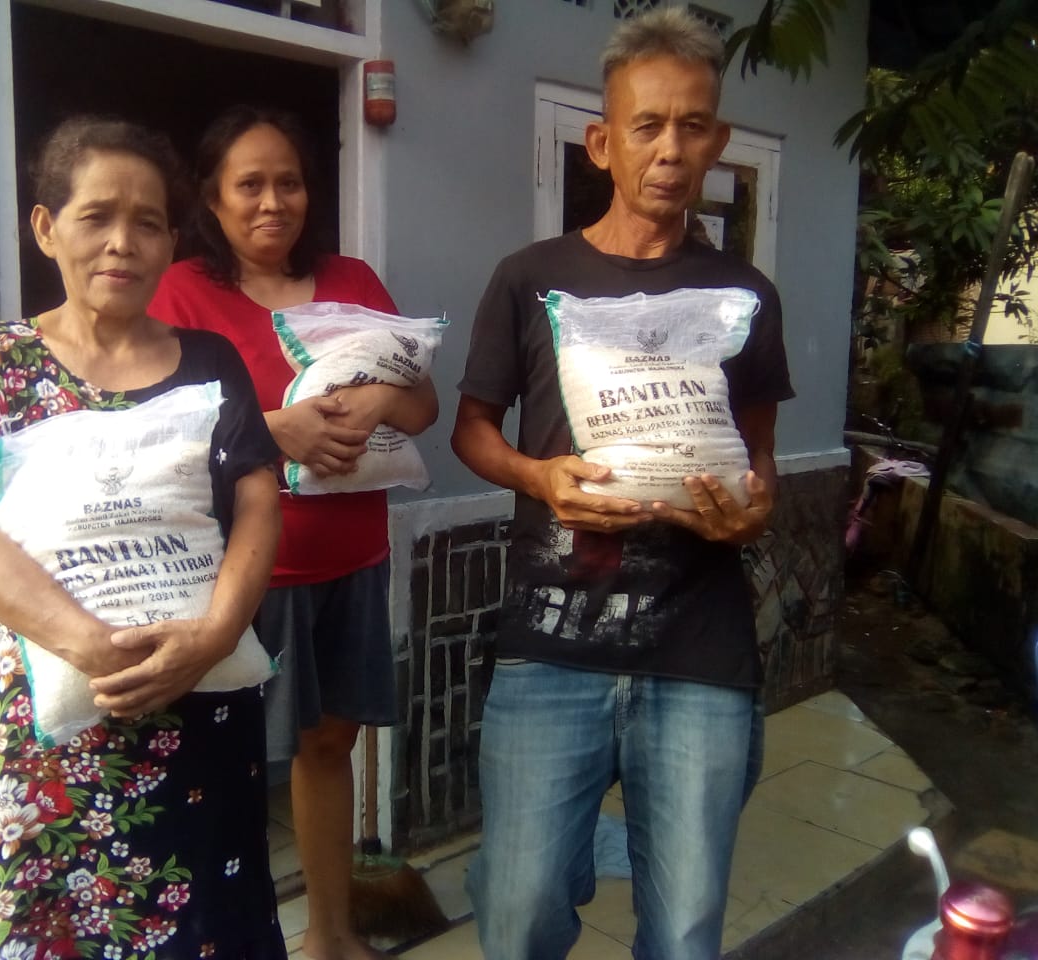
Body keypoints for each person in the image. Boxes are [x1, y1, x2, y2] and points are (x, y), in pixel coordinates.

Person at [451, 9, 795, 960]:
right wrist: (537, 476)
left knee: (683, 931)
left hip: (698, 647)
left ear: (718, 141)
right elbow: (472, 429)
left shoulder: (745, 296)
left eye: (693, 126)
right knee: (517, 913)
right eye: (648, 126)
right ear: (603, 143)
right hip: (553, 639)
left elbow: (759, 460)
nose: (671, 149)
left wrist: (752, 510)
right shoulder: (531, 278)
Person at [0, 116, 289, 960]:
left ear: (171, 241)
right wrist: (90, 646)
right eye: (96, 217)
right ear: (46, 227)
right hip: (50, 740)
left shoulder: (211, 361)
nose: (122, 243)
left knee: (208, 927)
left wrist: (213, 637)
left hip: (199, 713)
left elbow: (259, 504)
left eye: (148, 222)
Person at [149, 106, 438, 960]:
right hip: (244, 574)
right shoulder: (182, 293)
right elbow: (157, 436)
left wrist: (382, 399)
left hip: (352, 560)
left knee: (329, 743)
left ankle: (330, 935)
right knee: (226, 757)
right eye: (250, 185)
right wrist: (277, 430)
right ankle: (220, 938)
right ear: (213, 198)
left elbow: (423, 404)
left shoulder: (353, 280)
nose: (273, 202)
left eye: (290, 182)